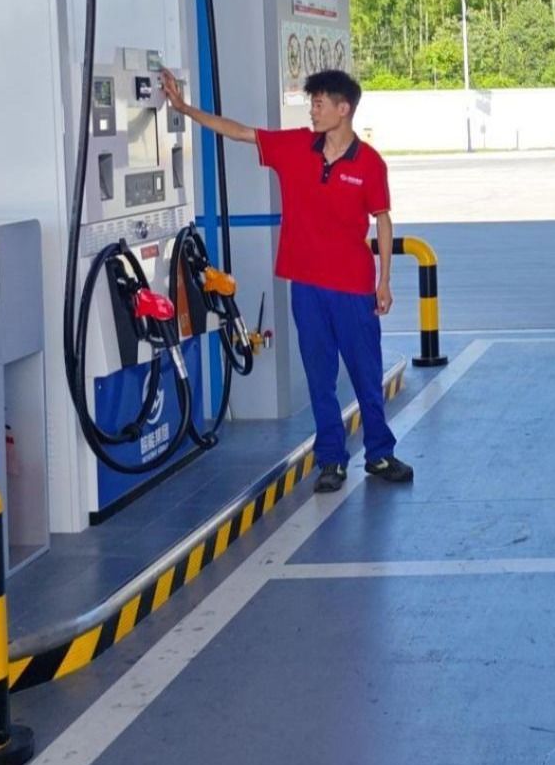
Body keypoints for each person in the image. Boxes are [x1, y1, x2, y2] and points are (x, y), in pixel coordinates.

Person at [160, 66, 413, 494]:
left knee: (366, 374)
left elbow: (382, 220)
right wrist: (184, 109)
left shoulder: (370, 163)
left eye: (319, 103)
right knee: (319, 376)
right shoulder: (296, 146)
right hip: (307, 287)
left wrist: (384, 280)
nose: (312, 110)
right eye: (311, 103)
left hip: (353, 288)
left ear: (343, 109)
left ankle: (379, 453)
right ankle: (331, 460)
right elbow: (238, 132)